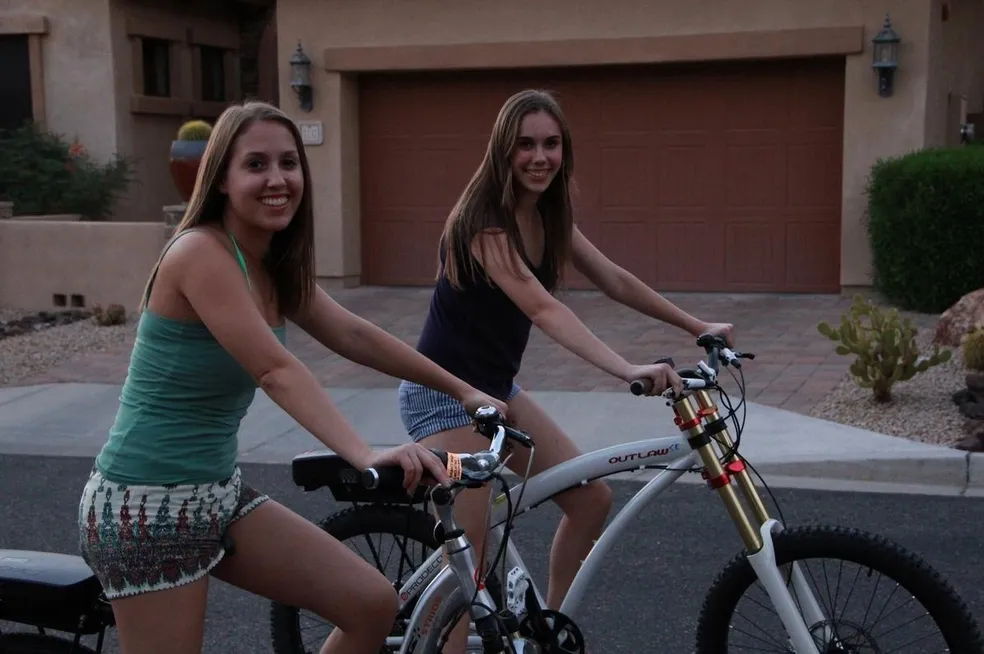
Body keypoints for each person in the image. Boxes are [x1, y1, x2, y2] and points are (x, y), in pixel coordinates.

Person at [76, 100, 509, 654]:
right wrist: (364, 452)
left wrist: (463, 389)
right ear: (223, 180)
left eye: (288, 163)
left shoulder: (269, 264)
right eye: (256, 164)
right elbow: (274, 370)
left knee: (371, 603)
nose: (277, 179)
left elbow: (352, 334)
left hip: (215, 495)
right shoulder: (199, 253)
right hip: (145, 508)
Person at [397, 89, 735, 652]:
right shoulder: (484, 223)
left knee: (590, 500)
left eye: (551, 144)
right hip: (443, 399)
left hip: (498, 393)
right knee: (471, 565)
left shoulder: (548, 216)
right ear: (503, 151)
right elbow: (542, 307)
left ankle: (545, 636)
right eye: (525, 145)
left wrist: (695, 324)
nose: (539, 157)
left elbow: (614, 278)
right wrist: (626, 367)